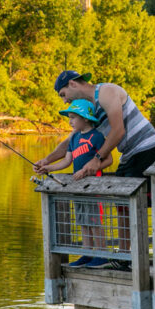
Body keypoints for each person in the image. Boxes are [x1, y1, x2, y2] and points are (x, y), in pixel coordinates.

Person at [34, 70, 155, 271]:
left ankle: (128, 257)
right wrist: (46, 160)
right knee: (122, 205)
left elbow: (118, 131)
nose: (64, 101)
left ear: (73, 84)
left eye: (63, 94)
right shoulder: (87, 110)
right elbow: (71, 142)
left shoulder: (106, 92)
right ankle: (123, 256)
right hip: (129, 154)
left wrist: (97, 159)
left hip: (146, 146)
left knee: (133, 202)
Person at [36, 99, 112, 268]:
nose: (70, 121)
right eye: (69, 117)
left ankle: (101, 254)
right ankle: (87, 253)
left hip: (94, 186)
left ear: (85, 118)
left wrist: (88, 169)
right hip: (78, 187)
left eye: (73, 117)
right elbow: (67, 161)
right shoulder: (74, 137)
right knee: (82, 221)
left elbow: (109, 160)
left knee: (95, 220)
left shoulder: (97, 136)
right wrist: (47, 168)